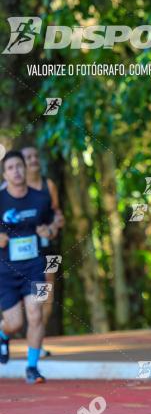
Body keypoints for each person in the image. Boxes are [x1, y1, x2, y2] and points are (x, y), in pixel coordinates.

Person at [0, 150, 58, 383]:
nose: (17, 171)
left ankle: (32, 367)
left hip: (34, 267)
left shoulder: (40, 199)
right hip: (5, 271)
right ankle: (3, 333)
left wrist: (50, 231)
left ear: (26, 169)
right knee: (15, 323)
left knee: (35, 314)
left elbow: (53, 224)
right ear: (4, 174)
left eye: (19, 166)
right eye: (11, 168)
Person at [21, 145, 64, 353]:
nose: (33, 160)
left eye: (36, 155)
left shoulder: (48, 185)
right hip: (19, 252)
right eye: (28, 157)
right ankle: (7, 331)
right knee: (22, 297)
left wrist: (54, 226)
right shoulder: (8, 190)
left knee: (46, 295)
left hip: (48, 248)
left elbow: (58, 215)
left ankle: (37, 343)